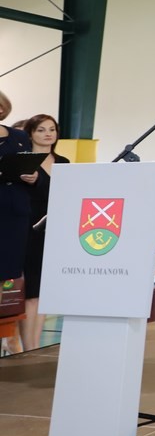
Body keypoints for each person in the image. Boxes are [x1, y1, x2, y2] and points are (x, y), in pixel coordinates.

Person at [19, 114, 70, 350]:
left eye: (52, 129)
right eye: (41, 130)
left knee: (42, 292)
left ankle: (34, 345)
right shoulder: (23, 161)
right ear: (30, 134)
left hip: (54, 229)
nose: (48, 134)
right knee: (30, 292)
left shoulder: (63, 161)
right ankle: (27, 346)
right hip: (28, 229)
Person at [1, 91, 34, 354]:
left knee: (10, 275)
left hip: (15, 211)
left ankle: (9, 336)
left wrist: (33, 177)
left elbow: (29, 168)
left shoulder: (19, 136)